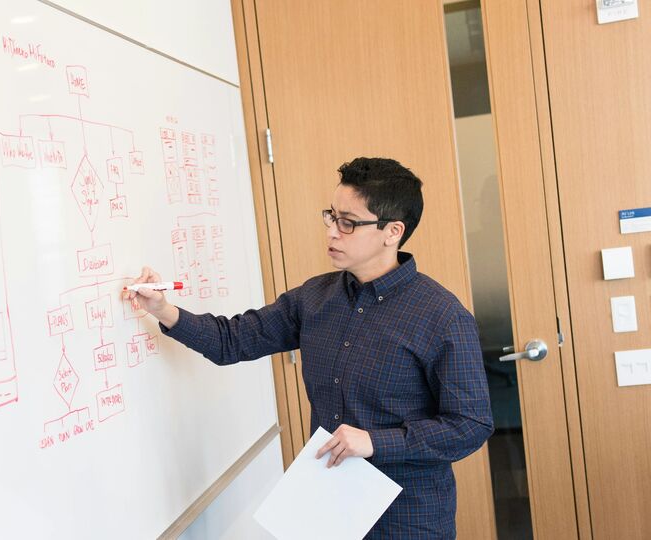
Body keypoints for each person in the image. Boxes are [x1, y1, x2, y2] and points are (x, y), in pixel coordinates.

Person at [125, 157, 493, 539]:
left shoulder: (442, 316)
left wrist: (375, 441)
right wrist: (162, 309)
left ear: (392, 231)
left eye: (348, 223)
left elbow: (470, 425)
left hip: (407, 515)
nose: (333, 232)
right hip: (328, 505)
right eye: (331, 217)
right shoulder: (315, 297)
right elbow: (231, 340)